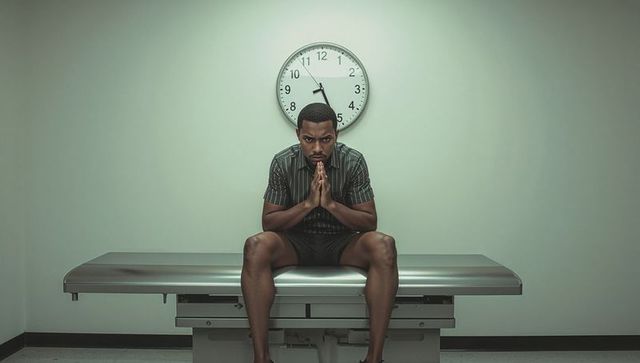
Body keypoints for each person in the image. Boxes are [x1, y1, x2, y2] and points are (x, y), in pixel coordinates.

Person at [241, 102, 398, 363]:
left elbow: (369, 222)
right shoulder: (282, 162)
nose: (317, 148)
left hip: (342, 243)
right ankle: (261, 358)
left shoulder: (354, 161)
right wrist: (308, 204)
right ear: (298, 135)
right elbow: (269, 222)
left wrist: (331, 205)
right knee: (255, 245)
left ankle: (374, 358)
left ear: (336, 135)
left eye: (325, 140)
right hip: (295, 243)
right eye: (309, 139)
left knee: (384, 245)